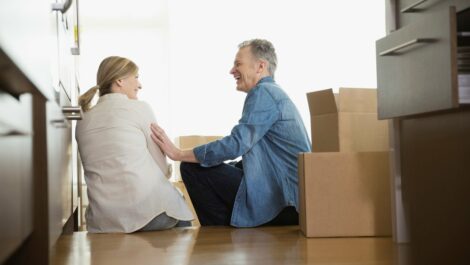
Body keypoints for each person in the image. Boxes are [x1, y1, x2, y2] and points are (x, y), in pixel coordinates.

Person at [151, 39, 311, 227]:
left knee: (191, 168)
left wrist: (178, 154)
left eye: (238, 64)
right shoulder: (274, 93)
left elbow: (236, 144)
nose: (231, 70)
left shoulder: (263, 93)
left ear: (260, 66)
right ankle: (233, 231)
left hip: (282, 203)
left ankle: (220, 235)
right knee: (228, 167)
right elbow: (255, 155)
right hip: (290, 201)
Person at [76, 56, 193, 233]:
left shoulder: (83, 118)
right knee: (177, 205)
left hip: (103, 220)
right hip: (147, 215)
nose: (140, 85)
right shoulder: (139, 108)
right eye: (136, 77)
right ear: (119, 81)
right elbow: (161, 167)